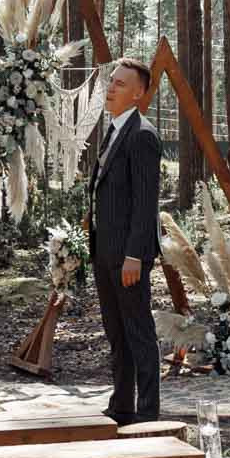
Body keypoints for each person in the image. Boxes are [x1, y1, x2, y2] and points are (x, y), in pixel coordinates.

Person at [88, 55, 164, 423]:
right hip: (105, 251)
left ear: (138, 94)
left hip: (128, 256)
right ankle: (121, 404)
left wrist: (135, 254)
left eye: (120, 83)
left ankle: (148, 413)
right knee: (116, 333)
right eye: (111, 81)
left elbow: (145, 203)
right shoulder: (114, 131)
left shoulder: (143, 136)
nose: (111, 87)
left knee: (138, 332)